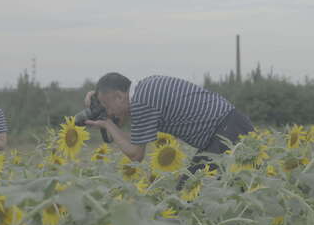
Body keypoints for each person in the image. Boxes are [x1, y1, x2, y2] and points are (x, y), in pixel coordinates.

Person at [84, 73, 254, 188]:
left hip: (226, 134)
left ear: (119, 96)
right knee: (195, 190)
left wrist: (108, 125)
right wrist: (104, 112)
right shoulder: (145, 89)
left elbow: (136, 154)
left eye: (107, 106)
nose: (109, 113)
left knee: (190, 194)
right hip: (226, 130)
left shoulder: (141, 102)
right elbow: (135, 140)